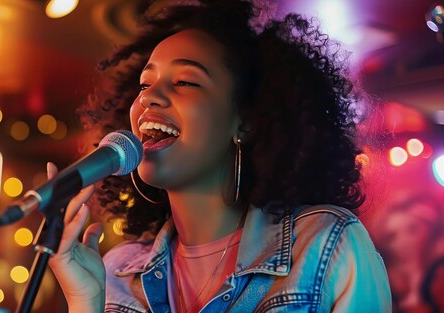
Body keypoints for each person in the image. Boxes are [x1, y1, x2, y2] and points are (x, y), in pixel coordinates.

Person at [43, 0, 392, 312]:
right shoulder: (115, 271)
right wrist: (85, 301)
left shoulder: (325, 245)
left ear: (246, 120)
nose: (150, 98)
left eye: (185, 82)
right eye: (145, 84)